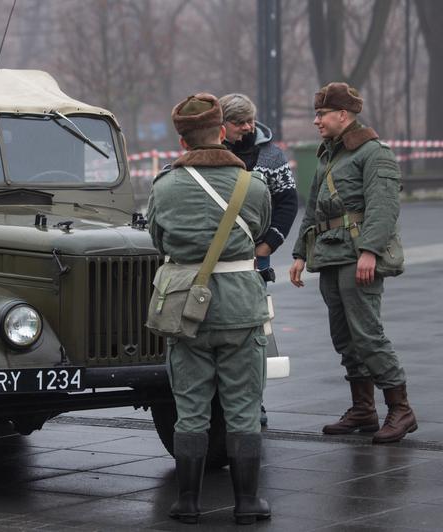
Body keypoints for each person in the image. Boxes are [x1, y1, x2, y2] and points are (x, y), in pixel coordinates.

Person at [148, 93, 272, 524]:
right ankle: (247, 503)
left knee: (190, 410)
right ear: (222, 132)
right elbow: (259, 229)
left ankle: (187, 502)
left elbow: (158, 240)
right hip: (240, 307)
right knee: (244, 408)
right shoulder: (252, 186)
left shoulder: (163, 187)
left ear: (182, 141)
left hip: (186, 309)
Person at [289, 82, 416, 444]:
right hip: (330, 255)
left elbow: (383, 207)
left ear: (343, 115)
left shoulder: (374, 153)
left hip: (357, 256)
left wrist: (370, 251)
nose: (316, 121)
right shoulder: (330, 155)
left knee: (367, 334)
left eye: (322, 114)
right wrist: (300, 253)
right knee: (344, 337)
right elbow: (313, 208)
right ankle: (363, 409)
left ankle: (401, 409)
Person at [220, 93, 299, 426]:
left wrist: (268, 245)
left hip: (256, 260)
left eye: (250, 121)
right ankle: (218, 404)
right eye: (239, 122)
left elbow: (288, 202)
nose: (247, 127)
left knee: (253, 334)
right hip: (216, 260)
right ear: (222, 124)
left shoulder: (271, 155)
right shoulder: (208, 153)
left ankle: (254, 403)